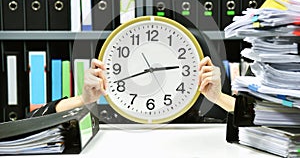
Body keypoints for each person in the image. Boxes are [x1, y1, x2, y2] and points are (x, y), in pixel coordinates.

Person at [27, 57, 236, 117]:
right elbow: (32, 123)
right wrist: (84, 99)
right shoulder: (109, 116)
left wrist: (218, 97)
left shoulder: (196, 118)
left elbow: (259, 122)